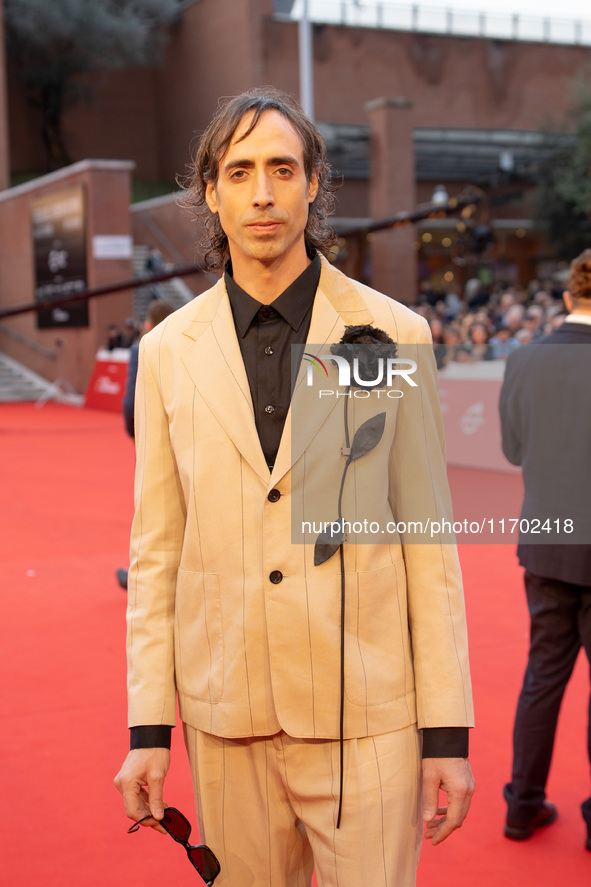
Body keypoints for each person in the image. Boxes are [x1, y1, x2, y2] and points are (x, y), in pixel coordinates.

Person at [114, 87, 474, 887]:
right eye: (239, 172)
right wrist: (148, 727)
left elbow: (426, 542)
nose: (263, 193)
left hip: (365, 723)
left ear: (314, 182)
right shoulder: (169, 350)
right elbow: (156, 552)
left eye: (282, 168)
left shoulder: (383, 333)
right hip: (226, 720)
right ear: (210, 191)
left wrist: (445, 735)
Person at [500, 248, 591, 849]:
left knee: (542, 678)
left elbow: (512, 450)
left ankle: (522, 805)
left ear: (567, 297)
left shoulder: (525, 359)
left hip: (550, 541)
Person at [116, 299, 176, 591]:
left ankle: (143, 577)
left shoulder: (144, 347)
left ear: (149, 324)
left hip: (154, 437)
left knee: (154, 510)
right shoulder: (189, 341)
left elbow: (131, 401)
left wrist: (133, 434)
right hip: (191, 436)